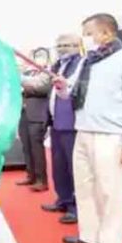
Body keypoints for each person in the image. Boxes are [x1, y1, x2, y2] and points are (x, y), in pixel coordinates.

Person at [56, 13, 122, 243]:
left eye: (88, 33)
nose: (83, 39)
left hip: (113, 137)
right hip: (83, 132)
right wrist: (62, 88)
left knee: (112, 194)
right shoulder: (89, 62)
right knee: (85, 188)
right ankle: (90, 236)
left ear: (106, 33)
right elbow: (71, 92)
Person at [41, 34, 83, 224]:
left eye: (66, 45)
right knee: (59, 167)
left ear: (77, 45)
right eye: (59, 45)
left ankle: (76, 207)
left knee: (73, 167)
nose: (62, 48)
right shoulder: (57, 65)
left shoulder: (82, 64)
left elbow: (73, 87)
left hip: (72, 124)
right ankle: (63, 199)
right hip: (56, 123)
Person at [16, 48, 52, 192]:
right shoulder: (28, 73)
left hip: (37, 113)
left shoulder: (48, 72)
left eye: (40, 56)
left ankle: (41, 180)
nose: (37, 59)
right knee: (26, 146)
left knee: (37, 148)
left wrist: (24, 85)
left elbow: (41, 88)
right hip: (24, 112)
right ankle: (30, 175)